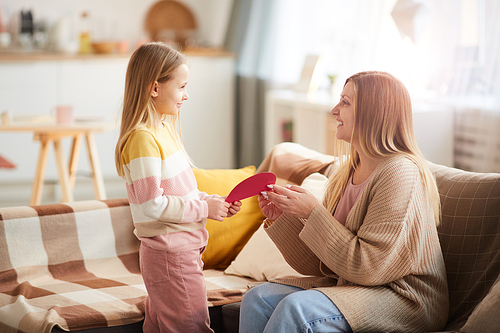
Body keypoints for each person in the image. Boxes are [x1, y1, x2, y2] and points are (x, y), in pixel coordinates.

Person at [240, 71, 449, 333]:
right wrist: (283, 218)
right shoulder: (346, 172)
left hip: (402, 297)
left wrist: (313, 213)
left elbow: (369, 268)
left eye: (345, 103)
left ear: (374, 111)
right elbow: (322, 263)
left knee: (297, 309)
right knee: (256, 299)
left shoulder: (400, 173)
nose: (334, 110)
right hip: (351, 285)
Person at [114, 42, 242, 333]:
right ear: (154, 88)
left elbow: (181, 193)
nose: (187, 95)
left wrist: (212, 202)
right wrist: (203, 208)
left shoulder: (163, 130)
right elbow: (151, 205)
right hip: (171, 257)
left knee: (161, 327)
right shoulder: (143, 139)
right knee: (191, 327)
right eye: (182, 86)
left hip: (180, 252)